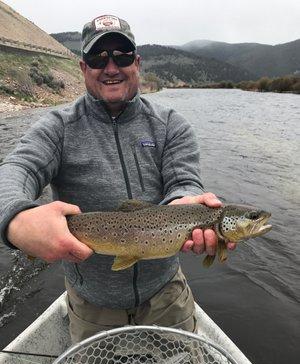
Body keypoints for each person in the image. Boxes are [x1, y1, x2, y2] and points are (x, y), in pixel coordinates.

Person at [0, 15, 235, 345]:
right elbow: (15, 169)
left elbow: (184, 182)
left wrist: (185, 202)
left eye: (122, 56)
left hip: (166, 298)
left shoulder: (170, 125)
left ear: (137, 63)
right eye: (98, 58)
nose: (111, 67)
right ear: (83, 68)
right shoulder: (57, 128)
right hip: (92, 307)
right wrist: (17, 217)